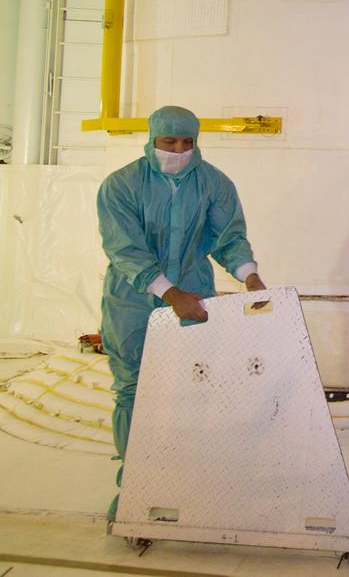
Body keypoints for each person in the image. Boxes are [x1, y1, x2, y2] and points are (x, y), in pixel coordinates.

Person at [97, 106, 265, 520]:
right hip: (132, 299)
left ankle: (189, 481)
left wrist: (250, 276)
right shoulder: (121, 184)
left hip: (193, 292)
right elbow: (125, 249)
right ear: (151, 139)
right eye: (168, 141)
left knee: (194, 382)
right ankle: (135, 488)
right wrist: (170, 294)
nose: (178, 150)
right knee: (133, 387)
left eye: (186, 142)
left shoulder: (214, 183)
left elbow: (229, 237)